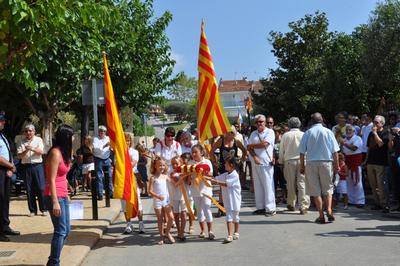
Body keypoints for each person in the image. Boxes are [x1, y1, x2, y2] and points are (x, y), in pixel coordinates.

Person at [299, 112, 340, 224]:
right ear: (322, 120)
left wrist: (302, 166)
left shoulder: (307, 133)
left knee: (316, 191)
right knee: (328, 189)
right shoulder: (328, 132)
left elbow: (302, 153)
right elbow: (335, 151)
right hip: (326, 162)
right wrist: (337, 165)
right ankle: (330, 210)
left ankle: (321, 215)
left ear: (311, 121)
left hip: (312, 163)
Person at [44, 124, 74, 265]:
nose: (73, 138)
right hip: (53, 195)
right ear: (66, 137)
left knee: (66, 231)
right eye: (71, 135)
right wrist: (55, 201)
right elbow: (51, 179)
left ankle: (52, 260)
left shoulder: (64, 152)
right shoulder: (55, 153)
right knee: (60, 231)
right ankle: (54, 262)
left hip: (63, 194)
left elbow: (62, 176)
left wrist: (68, 187)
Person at [278, 117, 310, 214]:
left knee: (290, 184)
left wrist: (281, 161)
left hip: (289, 161)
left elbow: (281, 150)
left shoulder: (285, 135)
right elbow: (307, 149)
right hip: (302, 160)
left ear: (289, 125)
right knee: (303, 183)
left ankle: (291, 203)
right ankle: (303, 206)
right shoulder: (304, 134)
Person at [247, 114, 276, 216]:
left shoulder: (270, 132)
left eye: (261, 121)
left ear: (265, 122)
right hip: (256, 162)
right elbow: (248, 148)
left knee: (268, 185)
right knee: (258, 185)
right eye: (257, 122)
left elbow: (265, 144)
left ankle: (270, 208)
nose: (259, 123)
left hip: (266, 163)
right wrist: (254, 157)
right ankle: (260, 207)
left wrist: (251, 145)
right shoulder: (253, 134)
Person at [208, 158, 241, 244]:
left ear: (231, 165)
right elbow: (216, 178)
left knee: (235, 217)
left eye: (226, 164)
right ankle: (230, 235)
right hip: (227, 200)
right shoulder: (225, 174)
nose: (224, 165)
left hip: (235, 199)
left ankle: (236, 232)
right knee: (229, 217)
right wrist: (206, 177)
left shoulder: (235, 175)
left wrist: (216, 181)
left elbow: (227, 184)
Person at [17, 124, 46, 216]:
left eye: (30, 131)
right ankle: (33, 210)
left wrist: (32, 148)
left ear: (34, 131)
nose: (28, 133)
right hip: (26, 167)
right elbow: (19, 156)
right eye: (26, 131)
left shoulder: (39, 140)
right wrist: (26, 150)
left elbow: (41, 152)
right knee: (29, 189)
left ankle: (44, 209)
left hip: (37, 166)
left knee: (41, 188)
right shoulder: (21, 141)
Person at [0, 111, 19, 242]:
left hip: (5, 170)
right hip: (1, 170)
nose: (4, 122)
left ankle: (5, 226)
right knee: (0, 200)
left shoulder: (2, 135)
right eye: (1, 121)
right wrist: (10, 166)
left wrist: (11, 166)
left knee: (5, 199)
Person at [366, 115, 391, 212]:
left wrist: (375, 133)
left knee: (381, 185)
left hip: (380, 162)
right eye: (374, 122)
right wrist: (366, 161)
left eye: (377, 122)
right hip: (371, 161)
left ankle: (385, 205)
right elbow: (369, 147)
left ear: (382, 123)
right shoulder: (370, 134)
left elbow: (381, 144)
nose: (374, 124)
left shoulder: (385, 132)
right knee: (373, 184)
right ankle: (377, 203)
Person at [189, 144, 215, 239]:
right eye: (193, 152)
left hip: (206, 189)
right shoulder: (190, 163)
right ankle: (202, 230)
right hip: (195, 189)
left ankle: (210, 231)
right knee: (199, 211)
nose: (194, 154)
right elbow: (188, 177)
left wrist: (204, 173)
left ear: (201, 152)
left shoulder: (207, 161)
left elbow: (211, 174)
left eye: (196, 152)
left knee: (207, 209)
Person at [148, 156, 175, 245]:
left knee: (171, 217)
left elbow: (175, 183)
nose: (162, 167)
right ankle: (161, 237)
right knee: (160, 220)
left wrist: (182, 178)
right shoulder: (153, 178)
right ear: (155, 166)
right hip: (157, 200)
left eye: (163, 165)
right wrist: (158, 196)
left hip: (166, 200)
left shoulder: (165, 176)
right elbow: (150, 191)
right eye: (160, 165)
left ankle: (167, 233)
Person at [123, 133, 144, 234]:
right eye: (124, 140)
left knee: (137, 201)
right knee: (124, 203)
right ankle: (128, 224)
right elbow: (115, 164)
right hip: (122, 180)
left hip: (132, 178)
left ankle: (141, 223)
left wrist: (123, 165)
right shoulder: (119, 152)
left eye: (128, 140)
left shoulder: (134, 152)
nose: (126, 142)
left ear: (130, 141)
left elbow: (133, 163)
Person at [341, 125, 365, 207]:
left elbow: (354, 148)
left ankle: (360, 201)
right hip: (347, 162)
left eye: (350, 130)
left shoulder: (357, 138)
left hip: (355, 162)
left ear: (354, 131)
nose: (348, 131)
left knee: (357, 181)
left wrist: (344, 144)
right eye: (347, 130)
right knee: (348, 181)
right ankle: (351, 200)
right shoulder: (344, 139)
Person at [170, 156, 188, 241]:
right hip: (175, 196)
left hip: (184, 196)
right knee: (176, 214)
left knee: (183, 213)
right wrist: (182, 177)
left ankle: (182, 231)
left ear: (181, 163)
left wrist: (187, 175)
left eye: (176, 163)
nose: (174, 165)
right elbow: (176, 184)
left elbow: (188, 182)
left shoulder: (185, 171)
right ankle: (178, 231)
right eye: (173, 164)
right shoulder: (172, 173)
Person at [93, 125, 112, 200]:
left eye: (104, 131)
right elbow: (96, 149)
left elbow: (111, 147)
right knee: (99, 176)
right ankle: (100, 194)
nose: (102, 132)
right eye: (101, 131)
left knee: (109, 176)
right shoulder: (96, 139)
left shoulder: (108, 138)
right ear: (99, 131)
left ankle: (110, 193)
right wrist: (104, 146)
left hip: (106, 159)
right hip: (98, 159)